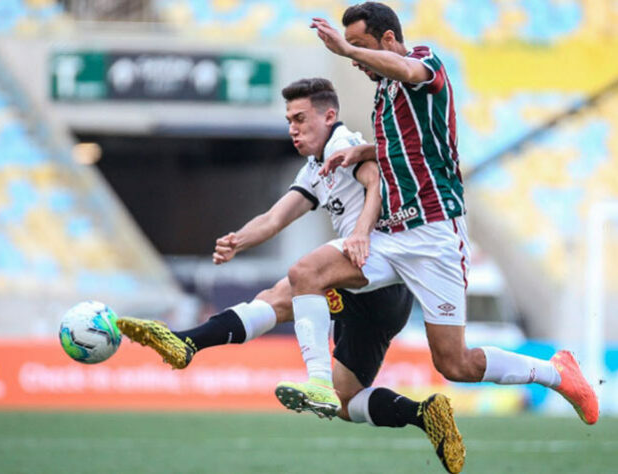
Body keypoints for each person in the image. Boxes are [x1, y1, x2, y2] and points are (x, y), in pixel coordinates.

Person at [117, 78, 465, 473]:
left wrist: (361, 234)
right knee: (348, 401)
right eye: (288, 121)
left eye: (300, 119)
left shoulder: (344, 145)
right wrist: (238, 241)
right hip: (368, 292)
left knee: (293, 285)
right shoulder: (316, 169)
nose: (293, 129)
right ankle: (425, 414)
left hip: (378, 277)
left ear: (328, 115)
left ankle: (190, 344)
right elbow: (274, 217)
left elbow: (377, 185)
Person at [277, 1, 598, 428]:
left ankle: (558, 374)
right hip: (391, 237)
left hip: (434, 235)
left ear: (388, 40)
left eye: (361, 46)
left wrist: (345, 50)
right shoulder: (383, 95)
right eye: (351, 47)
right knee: (306, 273)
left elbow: (409, 73)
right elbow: (413, 146)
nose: (355, 58)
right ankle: (318, 382)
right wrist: (366, 150)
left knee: (455, 363)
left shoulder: (424, 62)